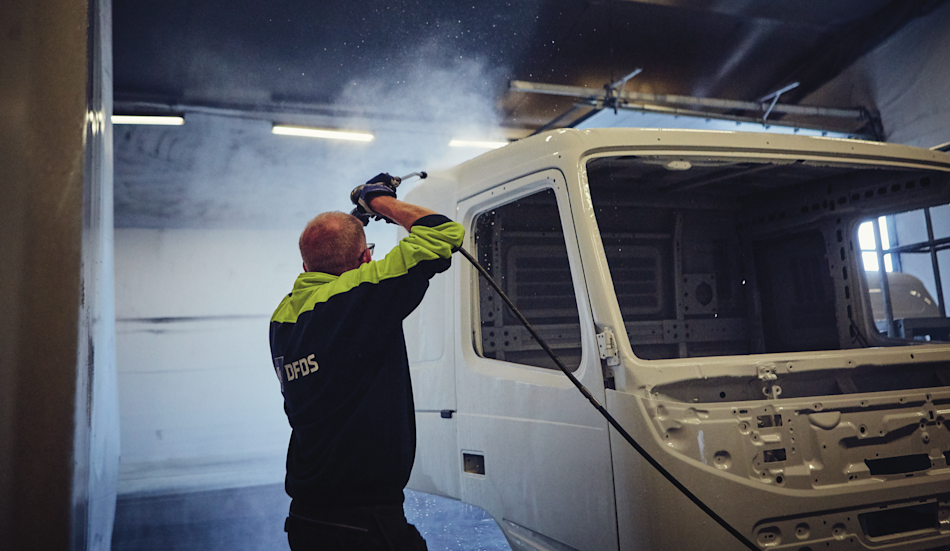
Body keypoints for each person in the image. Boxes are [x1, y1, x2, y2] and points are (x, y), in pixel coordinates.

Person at [269, 173, 464, 551]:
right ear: (366, 258)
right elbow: (442, 233)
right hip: (364, 526)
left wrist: (349, 226)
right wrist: (378, 201)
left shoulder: (283, 318)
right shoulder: (358, 297)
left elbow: (331, 275)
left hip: (306, 523)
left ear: (305, 266)